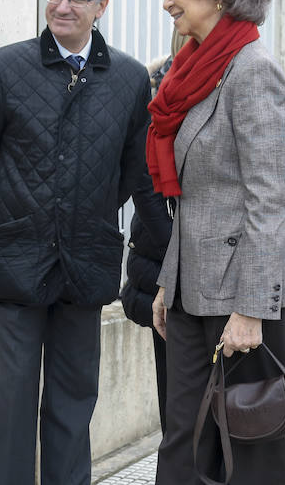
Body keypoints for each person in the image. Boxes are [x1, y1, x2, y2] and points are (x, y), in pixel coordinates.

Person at [0, 0, 153, 484]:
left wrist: (83, 214)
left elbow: (133, 169)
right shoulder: (4, 67)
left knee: (74, 395)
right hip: (16, 256)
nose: (61, 6)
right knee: (13, 394)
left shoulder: (130, 79)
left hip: (86, 258)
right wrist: (11, 215)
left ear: (101, 7)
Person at [149, 0, 285, 485]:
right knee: (185, 438)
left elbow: (269, 200)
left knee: (249, 444)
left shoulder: (253, 71)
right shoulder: (193, 69)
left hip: (249, 294)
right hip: (195, 285)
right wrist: (167, 284)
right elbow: (196, 196)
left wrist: (251, 308)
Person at [119, 29, 185, 433]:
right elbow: (143, 184)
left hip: (182, 262)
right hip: (164, 262)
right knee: (176, 402)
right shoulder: (157, 86)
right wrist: (177, 252)